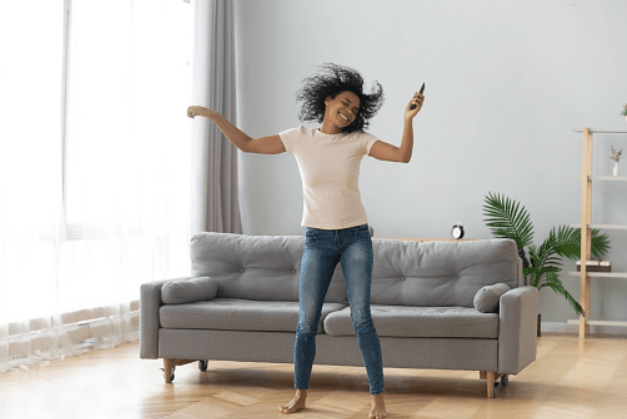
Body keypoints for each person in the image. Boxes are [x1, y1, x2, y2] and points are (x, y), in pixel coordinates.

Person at [187, 63, 424, 419]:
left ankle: (377, 400)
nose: (348, 112)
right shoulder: (299, 138)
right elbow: (248, 144)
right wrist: (214, 115)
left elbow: (403, 156)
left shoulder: (357, 141)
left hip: (355, 237)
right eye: (344, 103)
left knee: (362, 319)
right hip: (317, 240)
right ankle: (300, 395)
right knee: (305, 322)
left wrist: (407, 119)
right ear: (328, 100)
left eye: (355, 110)